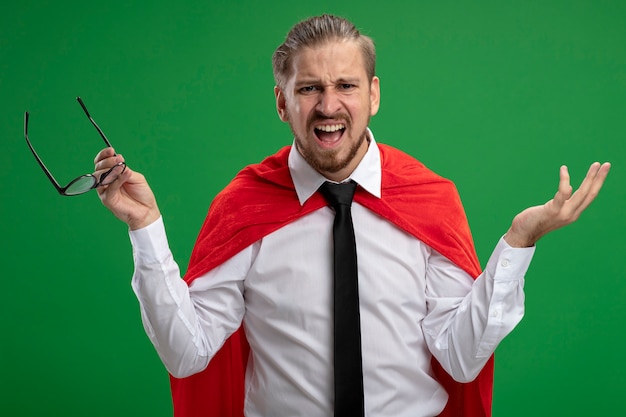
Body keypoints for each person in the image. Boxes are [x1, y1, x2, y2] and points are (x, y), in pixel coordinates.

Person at [93, 14, 610, 417]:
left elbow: (460, 355)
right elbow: (188, 354)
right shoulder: (244, 205)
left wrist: (519, 241)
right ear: (281, 102)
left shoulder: (429, 199)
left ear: (373, 94)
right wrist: (146, 230)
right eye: (309, 88)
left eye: (346, 85)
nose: (328, 105)